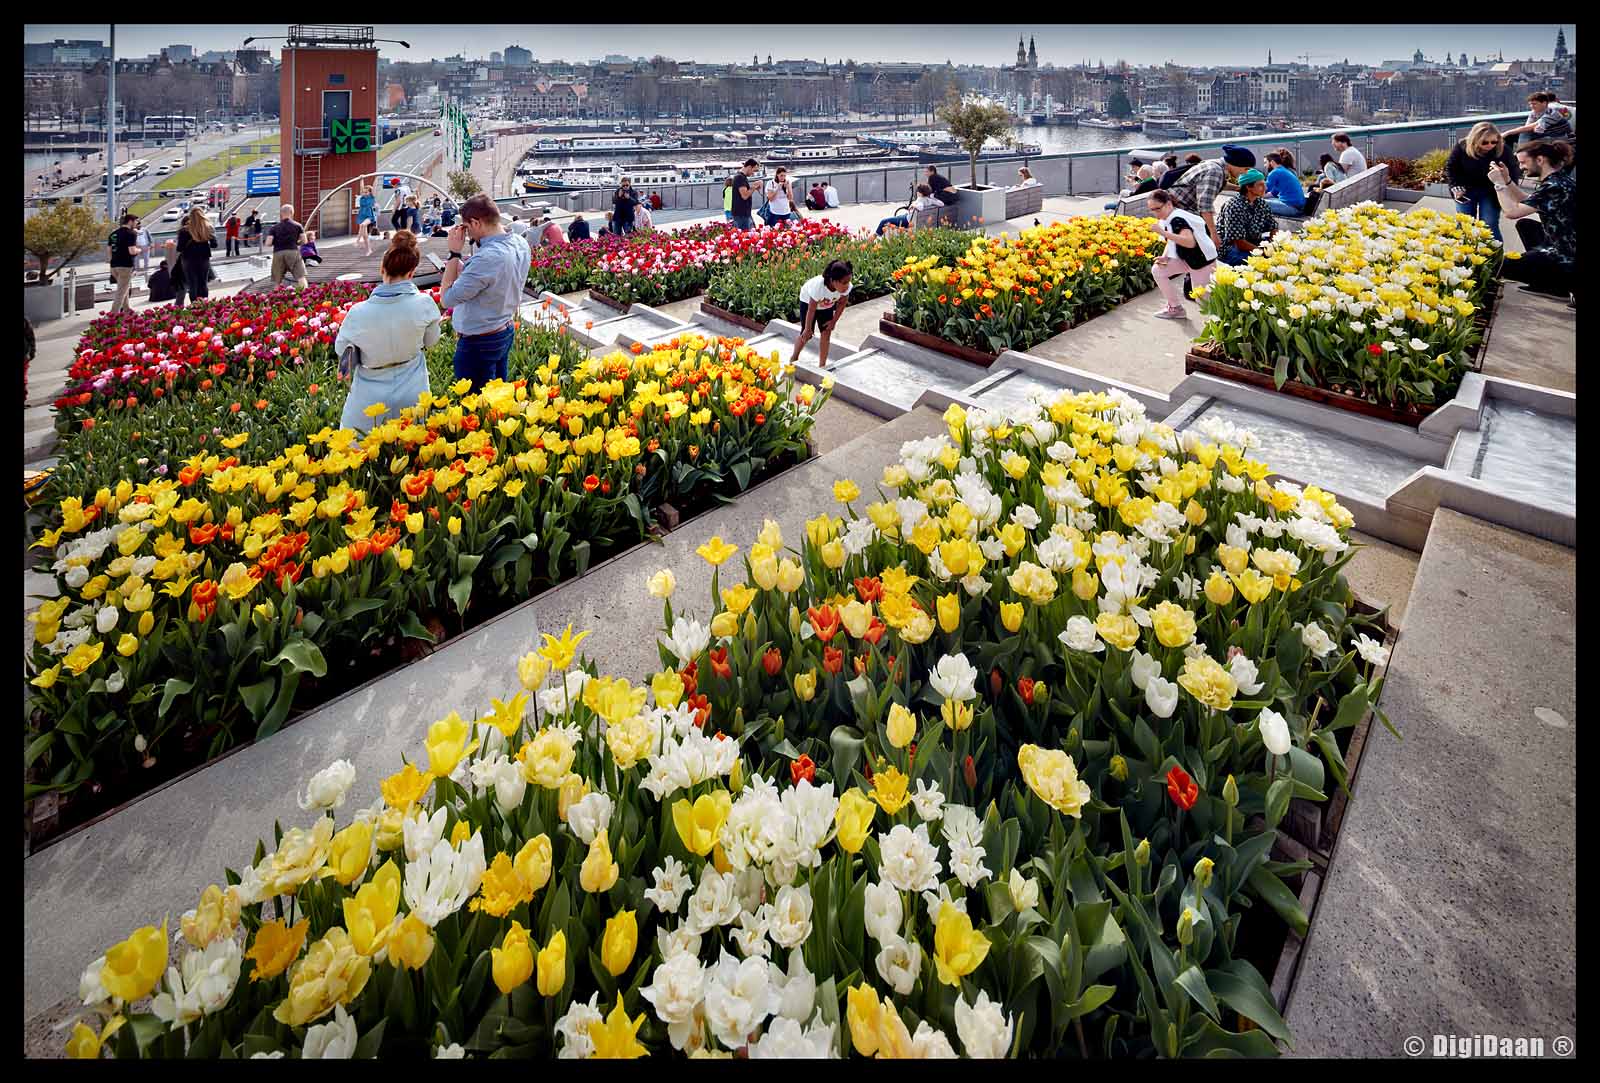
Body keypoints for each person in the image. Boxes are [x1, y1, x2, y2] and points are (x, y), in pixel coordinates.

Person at [335, 231, 443, 433]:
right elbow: (431, 341)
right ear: (411, 273)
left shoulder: (358, 312)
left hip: (368, 400)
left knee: (361, 447)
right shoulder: (424, 303)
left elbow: (342, 351)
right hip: (413, 391)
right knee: (412, 445)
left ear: (382, 269)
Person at [439, 193, 532, 391]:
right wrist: (467, 270)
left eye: (466, 227)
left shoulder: (487, 258)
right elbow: (493, 279)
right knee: (499, 399)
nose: (467, 235)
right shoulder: (520, 243)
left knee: (478, 403)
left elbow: (446, 299)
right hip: (503, 330)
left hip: (479, 342)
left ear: (476, 223)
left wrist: (454, 253)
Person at [1488, 139, 1576, 304]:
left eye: (1523, 162)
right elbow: (1527, 200)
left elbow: (1512, 212)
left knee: (1498, 265)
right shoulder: (1560, 180)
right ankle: (1548, 284)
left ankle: (1559, 284)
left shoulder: (1553, 186)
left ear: (1540, 160)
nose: (1521, 167)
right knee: (1526, 225)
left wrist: (1498, 184)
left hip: (1566, 259)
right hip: (1565, 246)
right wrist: (1507, 180)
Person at [1168, 144, 1255, 252]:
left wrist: (1238, 188)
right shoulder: (1215, 171)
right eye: (1245, 169)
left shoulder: (1214, 164)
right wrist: (1213, 234)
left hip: (1177, 209)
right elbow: (1205, 206)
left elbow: (1218, 183)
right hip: (1180, 212)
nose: (1245, 173)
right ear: (1235, 164)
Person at [1146, 188, 1217, 320]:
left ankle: (1219, 326)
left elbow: (1189, 242)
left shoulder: (1177, 219)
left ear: (1168, 204)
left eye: (1157, 209)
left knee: (1202, 299)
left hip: (1201, 261)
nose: (1155, 213)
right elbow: (1171, 241)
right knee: (1158, 270)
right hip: (1187, 258)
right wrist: (1165, 256)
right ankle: (1175, 308)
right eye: (1152, 210)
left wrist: (1163, 232)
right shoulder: (1168, 216)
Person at [1446, 122, 1520, 242]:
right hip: (1466, 190)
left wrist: (1511, 191)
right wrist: (1455, 185)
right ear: (1475, 140)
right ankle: (1465, 251)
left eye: (1494, 142)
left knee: (1489, 224)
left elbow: (1513, 171)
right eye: (1485, 142)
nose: (1490, 145)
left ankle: (1494, 252)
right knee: (1465, 224)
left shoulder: (1503, 149)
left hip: (1492, 191)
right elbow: (1451, 168)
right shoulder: (1462, 147)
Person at [790, 258, 852, 369]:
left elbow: (842, 304)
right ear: (833, 280)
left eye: (848, 281)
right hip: (808, 302)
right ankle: (794, 357)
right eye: (844, 283)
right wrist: (808, 328)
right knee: (806, 335)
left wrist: (833, 321)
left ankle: (822, 365)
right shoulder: (818, 286)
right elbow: (811, 309)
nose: (847, 285)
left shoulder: (846, 288)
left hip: (826, 304)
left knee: (826, 332)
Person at [1216, 169, 1279, 266]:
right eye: (1260, 185)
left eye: (1264, 184)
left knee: (1280, 252)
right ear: (1248, 187)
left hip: (1252, 242)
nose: (1265, 188)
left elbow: (1273, 226)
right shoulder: (1234, 206)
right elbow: (1239, 242)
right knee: (1257, 262)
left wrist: (1273, 244)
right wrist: (1263, 252)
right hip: (1231, 248)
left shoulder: (1261, 203)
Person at [1502, 91, 1577, 145]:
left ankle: (1522, 153)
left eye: (1534, 104)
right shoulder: (1534, 112)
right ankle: (1513, 157)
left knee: (1524, 133)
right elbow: (1528, 127)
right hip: (1547, 135)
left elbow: (1531, 127)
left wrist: (1508, 132)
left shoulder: (1552, 113)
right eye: (1530, 104)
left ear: (1544, 103)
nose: (1532, 106)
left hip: (1562, 137)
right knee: (1510, 137)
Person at [174, 207, 215, 301]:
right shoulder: (208, 228)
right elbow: (214, 244)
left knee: (192, 284)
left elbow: (179, 248)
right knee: (203, 283)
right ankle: (204, 304)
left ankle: (194, 306)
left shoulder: (184, 230)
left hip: (188, 260)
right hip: (204, 258)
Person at [269, 204, 309, 290]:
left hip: (278, 253)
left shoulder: (274, 228)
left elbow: (268, 243)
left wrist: (277, 242)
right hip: (293, 252)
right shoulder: (298, 225)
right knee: (301, 277)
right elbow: (304, 241)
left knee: (277, 281)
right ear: (292, 213)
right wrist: (297, 242)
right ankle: (305, 294)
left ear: (281, 213)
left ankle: (276, 296)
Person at [107, 212, 141, 313]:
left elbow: (109, 251)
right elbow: (132, 251)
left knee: (123, 287)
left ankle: (127, 309)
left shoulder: (113, 234)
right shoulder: (131, 233)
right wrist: (139, 250)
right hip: (125, 265)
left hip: (114, 266)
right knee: (121, 291)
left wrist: (112, 263)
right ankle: (113, 314)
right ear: (130, 221)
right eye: (136, 221)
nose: (137, 224)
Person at [876, 183, 941, 235]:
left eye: (917, 191)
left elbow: (920, 207)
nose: (917, 192)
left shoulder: (920, 200)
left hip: (907, 221)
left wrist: (913, 205)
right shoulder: (929, 200)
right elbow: (941, 204)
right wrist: (933, 198)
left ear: (920, 193)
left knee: (883, 221)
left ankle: (875, 236)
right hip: (909, 216)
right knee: (898, 217)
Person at [1262, 150, 1306, 216]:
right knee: (1264, 200)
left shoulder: (1274, 172)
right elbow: (1273, 193)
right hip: (1299, 208)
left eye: (1266, 162)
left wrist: (1250, 195)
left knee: (1256, 202)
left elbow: (1264, 190)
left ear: (1272, 162)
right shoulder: (1285, 171)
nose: (1265, 165)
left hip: (1292, 208)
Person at [728, 159, 759, 230]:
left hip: (743, 213)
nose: (753, 173)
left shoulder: (741, 177)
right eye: (753, 170)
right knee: (746, 234)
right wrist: (754, 187)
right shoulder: (740, 177)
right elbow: (744, 196)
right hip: (741, 214)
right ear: (749, 167)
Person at [356, 183, 378, 257]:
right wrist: (361, 179)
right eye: (363, 192)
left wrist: (376, 178)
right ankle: (369, 250)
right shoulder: (362, 197)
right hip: (362, 215)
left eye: (366, 192)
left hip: (369, 215)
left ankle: (357, 241)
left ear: (370, 192)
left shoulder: (371, 197)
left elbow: (374, 187)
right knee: (365, 236)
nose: (364, 193)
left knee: (363, 224)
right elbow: (361, 187)